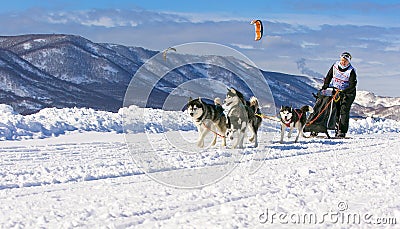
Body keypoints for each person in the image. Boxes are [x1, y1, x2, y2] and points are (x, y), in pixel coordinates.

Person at [321, 52, 357, 138]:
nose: (343, 62)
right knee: (335, 110)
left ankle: (342, 131)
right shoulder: (335, 66)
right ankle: (336, 128)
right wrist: (325, 86)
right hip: (336, 90)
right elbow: (329, 76)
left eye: (345, 61)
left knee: (344, 110)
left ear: (348, 62)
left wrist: (344, 91)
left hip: (348, 93)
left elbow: (352, 85)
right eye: (342, 60)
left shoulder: (351, 71)